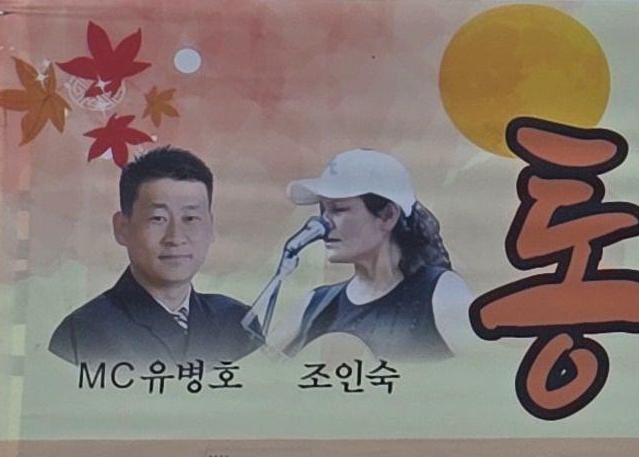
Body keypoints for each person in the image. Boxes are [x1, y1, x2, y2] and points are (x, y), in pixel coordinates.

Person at [48, 146, 264, 367]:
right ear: (122, 228)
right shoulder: (83, 332)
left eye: (190, 218)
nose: (175, 238)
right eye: (158, 218)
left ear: (210, 227)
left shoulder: (236, 323)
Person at [277, 149, 477, 362]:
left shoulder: (440, 290)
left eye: (338, 209)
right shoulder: (316, 303)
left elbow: (479, 370)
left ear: (387, 216)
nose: (323, 224)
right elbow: (259, 366)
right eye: (322, 210)